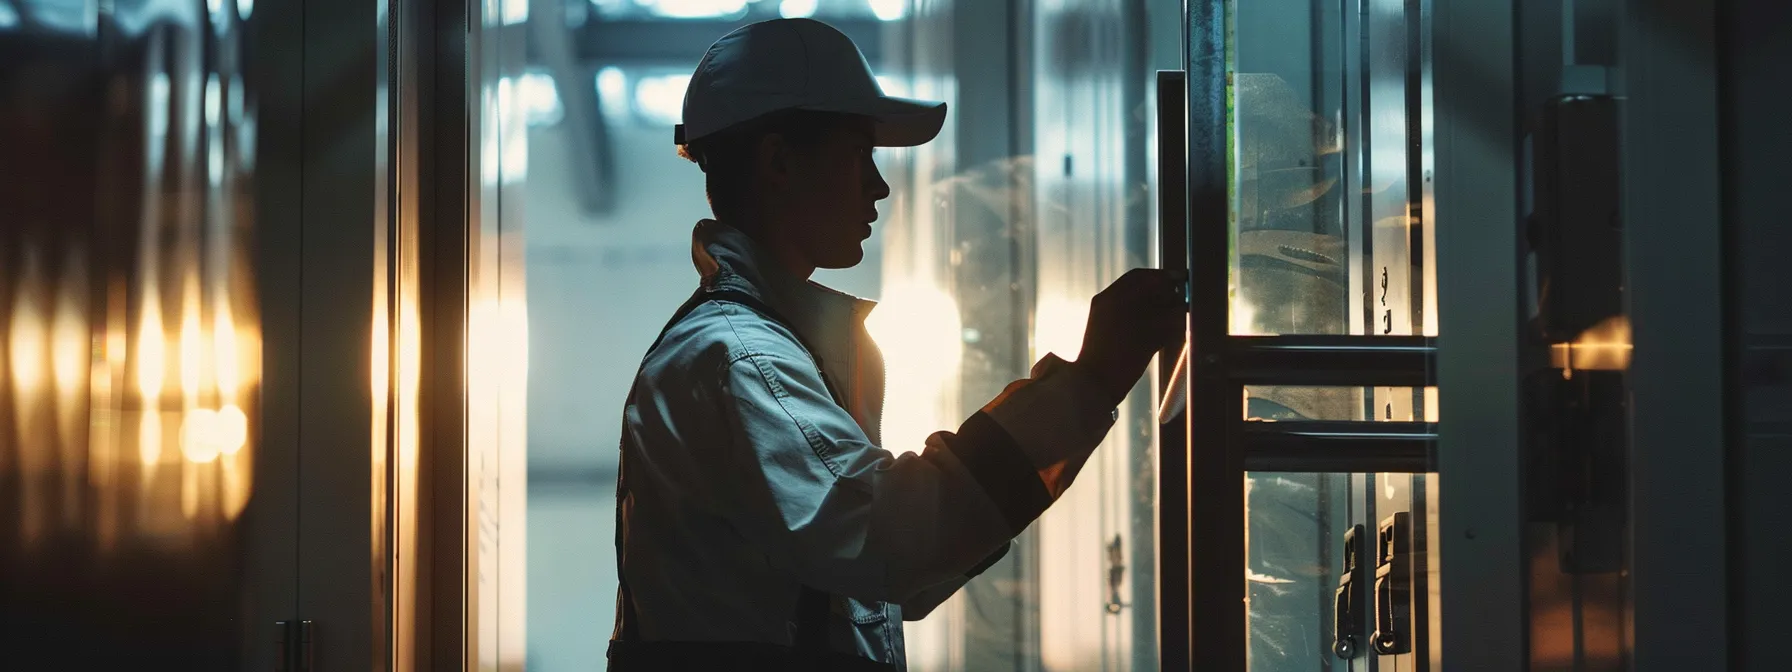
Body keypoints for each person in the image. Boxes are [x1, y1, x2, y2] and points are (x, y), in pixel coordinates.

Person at [607, 18, 1185, 671]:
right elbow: (887, 547)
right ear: (779, 162)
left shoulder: (754, 348)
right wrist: (1088, 383)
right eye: (859, 153)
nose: (879, 186)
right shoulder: (744, 359)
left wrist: (1077, 405)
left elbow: (891, 580)